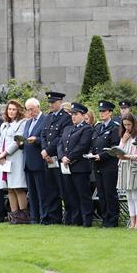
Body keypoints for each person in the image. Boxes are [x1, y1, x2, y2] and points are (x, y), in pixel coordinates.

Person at [58, 102, 94, 226]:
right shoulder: (68, 128)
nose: (73, 117)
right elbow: (60, 144)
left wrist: (69, 157)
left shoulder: (87, 128)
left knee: (83, 195)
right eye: (72, 114)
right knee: (70, 195)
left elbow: (82, 146)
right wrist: (62, 156)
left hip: (80, 166)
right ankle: (75, 219)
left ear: (83, 115)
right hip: (67, 166)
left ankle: (87, 220)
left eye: (76, 114)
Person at [40, 91, 71, 224]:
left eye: (53, 102)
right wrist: (44, 151)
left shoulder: (66, 118)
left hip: (58, 158)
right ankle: (54, 218)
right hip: (48, 159)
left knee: (63, 190)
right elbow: (43, 135)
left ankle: (69, 218)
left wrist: (47, 150)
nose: (51, 105)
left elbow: (61, 138)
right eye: (49, 102)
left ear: (60, 102)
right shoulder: (48, 117)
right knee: (51, 190)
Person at [0, 99, 29, 224]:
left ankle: (23, 214)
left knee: (18, 187)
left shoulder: (22, 123)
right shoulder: (4, 125)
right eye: (9, 109)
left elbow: (17, 141)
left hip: (15, 158)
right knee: (9, 188)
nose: (11, 111)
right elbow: (0, 141)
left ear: (18, 110)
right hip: (4, 160)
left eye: (14, 109)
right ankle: (14, 215)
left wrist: (5, 153)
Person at [90, 100, 121, 227]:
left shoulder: (115, 127)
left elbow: (114, 147)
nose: (102, 113)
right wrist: (92, 154)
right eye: (101, 111)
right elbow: (94, 144)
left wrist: (101, 156)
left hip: (109, 165)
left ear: (110, 112)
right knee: (101, 194)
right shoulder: (98, 127)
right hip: (97, 164)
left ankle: (112, 220)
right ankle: (105, 219)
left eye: (104, 111)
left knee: (110, 193)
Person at [21, 98, 48, 224]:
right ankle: (34, 217)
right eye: (28, 110)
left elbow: (46, 139)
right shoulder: (28, 122)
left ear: (38, 107)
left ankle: (44, 217)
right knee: (32, 193)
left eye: (32, 109)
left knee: (42, 192)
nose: (30, 112)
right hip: (28, 161)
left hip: (39, 161)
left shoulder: (45, 119)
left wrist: (36, 140)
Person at [117, 114, 137, 229]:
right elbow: (118, 152)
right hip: (123, 167)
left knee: (135, 195)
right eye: (125, 125)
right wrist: (123, 140)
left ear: (134, 124)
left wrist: (127, 157)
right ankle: (132, 222)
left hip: (134, 168)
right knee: (128, 196)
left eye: (129, 124)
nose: (127, 127)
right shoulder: (124, 135)